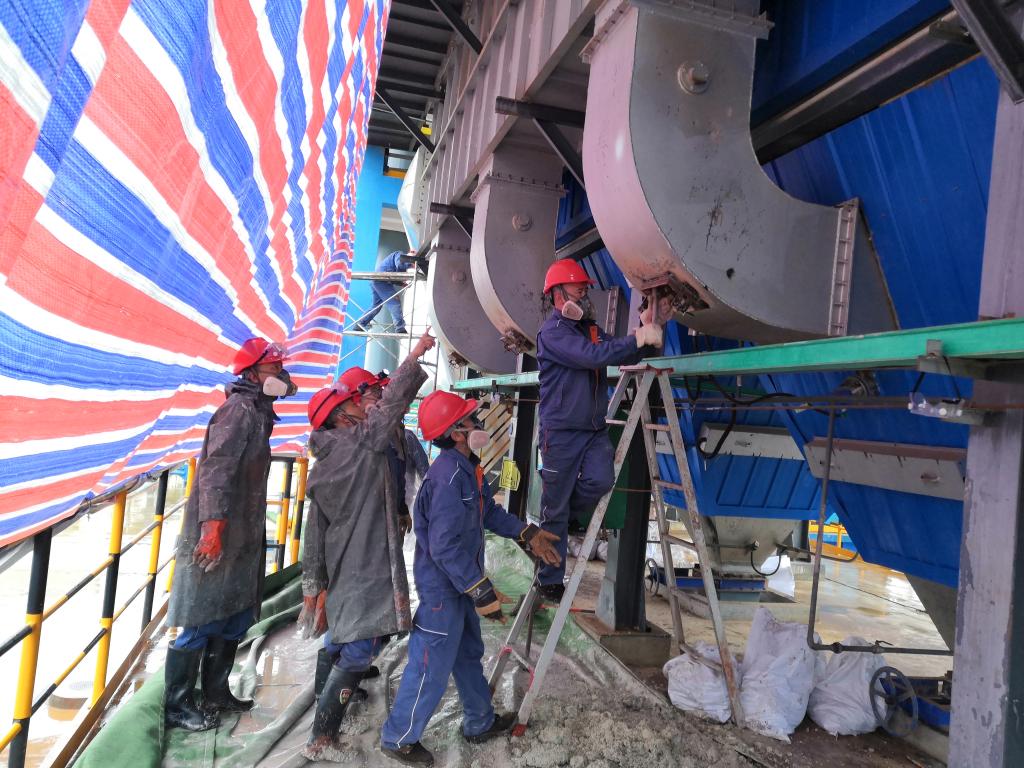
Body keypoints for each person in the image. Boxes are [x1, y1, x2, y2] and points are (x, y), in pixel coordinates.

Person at [379, 391, 561, 766]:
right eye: (471, 420)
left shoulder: (467, 469)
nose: (479, 424)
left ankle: (480, 721)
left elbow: (487, 512)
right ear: (456, 433)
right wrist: (480, 590)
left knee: (467, 654)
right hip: (443, 589)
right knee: (430, 664)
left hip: (460, 583)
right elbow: (443, 546)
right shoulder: (447, 478)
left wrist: (526, 533)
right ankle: (398, 738)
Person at [298, 330, 436, 761]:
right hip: (365, 560)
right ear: (341, 417)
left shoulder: (325, 461)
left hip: (344, 559)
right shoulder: (359, 443)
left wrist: (314, 583)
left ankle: (325, 696)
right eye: (356, 403)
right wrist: (415, 354)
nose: (363, 405)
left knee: (341, 635)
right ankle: (321, 738)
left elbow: (314, 531)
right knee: (359, 648)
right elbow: (392, 406)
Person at [164, 338, 297, 731]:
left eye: (281, 368)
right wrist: (212, 529)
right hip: (219, 531)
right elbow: (216, 471)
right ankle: (177, 705)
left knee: (234, 615)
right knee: (202, 618)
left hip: (241, 532)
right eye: (274, 368)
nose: (281, 374)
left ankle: (215, 692)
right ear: (252, 373)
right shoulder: (238, 410)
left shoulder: (259, 411)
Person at [534, 259, 669, 602]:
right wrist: (637, 337)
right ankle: (549, 579)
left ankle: (565, 518)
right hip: (560, 433)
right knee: (553, 508)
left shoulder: (589, 329)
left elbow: (622, 354)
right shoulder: (553, 333)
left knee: (601, 480)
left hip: (592, 429)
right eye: (578, 286)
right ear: (557, 293)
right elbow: (593, 356)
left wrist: (646, 329)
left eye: (585, 287)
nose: (584, 291)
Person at [352, 250, 412, 333]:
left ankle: (359, 324)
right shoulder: (400, 254)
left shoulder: (395, 260)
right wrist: (411, 264)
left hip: (377, 280)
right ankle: (400, 328)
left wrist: (401, 283)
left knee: (376, 306)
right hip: (381, 280)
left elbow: (392, 273)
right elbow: (399, 264)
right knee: (394, 302)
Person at [403, 427, 430, 509]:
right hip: (405, 496)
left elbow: (423, 468)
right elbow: (423, 467)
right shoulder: (407, 436)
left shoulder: (407, 436)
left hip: (405, 496)